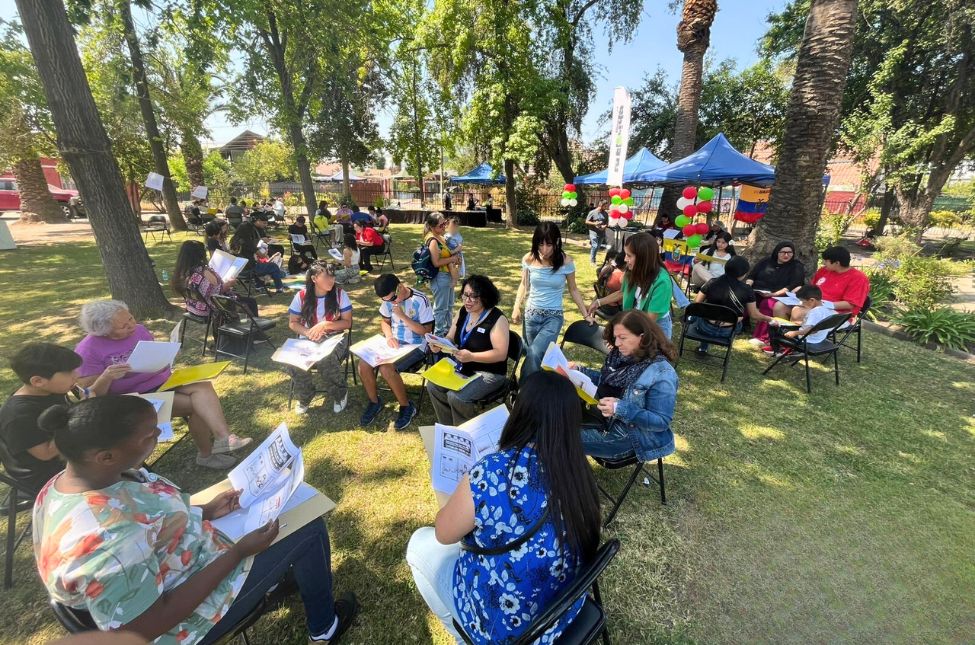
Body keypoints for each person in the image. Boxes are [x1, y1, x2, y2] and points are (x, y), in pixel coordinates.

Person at [32, 396, 359, 645]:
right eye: (149, 435)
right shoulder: (110, 536)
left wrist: (202, 510)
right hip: (182, 623)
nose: (159, 434)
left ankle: (279, 578)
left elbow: (152, 523)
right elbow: (144, 626)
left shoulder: (70, 482)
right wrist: (238, 552)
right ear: (105, 455)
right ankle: (324, 628)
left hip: (179, 562)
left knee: (287, 513)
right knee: (308, 528)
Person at [406, 371, 601, 644]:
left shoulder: (492, 471)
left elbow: (443, 533)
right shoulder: (577, 470)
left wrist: (457, 492)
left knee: (418, 543)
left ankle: (463, 634)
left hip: (511, 630)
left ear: (521, 411)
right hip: (564, 608)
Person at [73, 300, 251, 469]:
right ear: (103, 331)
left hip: (162, 381)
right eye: (123, 326)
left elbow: (151, 354)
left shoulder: (140, 330)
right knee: (199, 406)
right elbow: (89, 396)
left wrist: (165, 358)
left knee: (203, 387)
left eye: (130, 318)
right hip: (133, 399)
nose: (131, 325)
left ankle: (223, 438)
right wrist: (107, 377)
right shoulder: (88, 349)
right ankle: (206, 455)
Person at [0, 344, 126, 492]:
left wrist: (106, 377)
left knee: (124, 434)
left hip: (69, 450)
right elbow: (45, 454)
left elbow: (88, 395)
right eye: (69, 373)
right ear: (38, 381)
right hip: (48, 474)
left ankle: (131, 482)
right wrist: (80, 415)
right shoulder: (19, 415)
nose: (76, 375)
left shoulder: (53, 388)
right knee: (122, 449)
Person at [572, 311, 678, 462]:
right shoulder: (621, 355)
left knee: (555, 437)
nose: (616, 344)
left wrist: (620, 408)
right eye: (615, 337)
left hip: (629, 437)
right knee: (551, 420)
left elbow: (661, 422)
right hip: (602, 418)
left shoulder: (662, 373)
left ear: (643, 338)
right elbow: (606, 381)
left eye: (622, 338)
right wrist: (580, 370)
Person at [426, 275, 510, 426]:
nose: (467, 300)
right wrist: (441, 344)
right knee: (432, 386)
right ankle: (448, 428)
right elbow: (451, 337)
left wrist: (472, 356)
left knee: (456, 397)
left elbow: (500, 353)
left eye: (473, 296)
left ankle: (466, 433)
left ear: (485, 297)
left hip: (490, 373)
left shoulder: (497, 319)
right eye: (465, 295)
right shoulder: (463, 312)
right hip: (463, 367)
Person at [512, 222, 593, 378]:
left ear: (556, 242)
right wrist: (517, 307)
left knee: (535, 353)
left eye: (549, 244)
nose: (544, 249)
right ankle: (530, 389)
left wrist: (586, 314)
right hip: (531, 315)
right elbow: (524, 284)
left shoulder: (566, 262)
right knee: (532, 355)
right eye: (540, 244)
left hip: (553, 317)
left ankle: (525, 394)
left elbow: (573, 289)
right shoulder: (529, 258)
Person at [358, 274, 433, 431]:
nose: (390, 302)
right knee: (363, 363)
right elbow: (385, 322)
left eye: (392, 298)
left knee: (386, 367)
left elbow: (426, 331)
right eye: (386, 300)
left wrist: (402, 316)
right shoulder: (388, 300)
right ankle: (374, 402)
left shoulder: (420, 300)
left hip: (416, 345)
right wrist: (389, 336)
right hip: (394, 345)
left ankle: (406, 406)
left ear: (399, 287)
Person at [287, 263, 353, 415]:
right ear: (314, 278)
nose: (331, 280)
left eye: (333, 276)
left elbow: (347, 323)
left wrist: (325, 325)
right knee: (292, 361)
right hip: (307, 338)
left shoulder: (339, 294)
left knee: (325, 359)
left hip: (334, 337)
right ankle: (305, 395)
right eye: (327, 276)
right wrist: (308, 332)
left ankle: (340, 393)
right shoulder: (301, 296)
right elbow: (293, 323)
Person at [587, 232, 675, 339]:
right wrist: (598, 302)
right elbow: (623, 292)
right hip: (637, 322)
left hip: (655, 328)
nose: (625, 259)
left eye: (629, 255)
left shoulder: (662, 282)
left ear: (643, 257)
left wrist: (623, 335)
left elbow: (650, 319)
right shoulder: (632, 271)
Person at [689, 256, 774, 354]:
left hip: (705, 327)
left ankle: (703, 348)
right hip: (728, 331)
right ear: (744, 274)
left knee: (703, 313)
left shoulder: (712, 282)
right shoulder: (747, 290)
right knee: (739, 318)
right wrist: (770, 319)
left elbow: (695, 305)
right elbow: (754, 315)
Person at [171, 240, 259, 324]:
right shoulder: (203, 272)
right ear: (200, 254)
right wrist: (229, 284)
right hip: (208, 309)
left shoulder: (182, 272)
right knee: (251, 302)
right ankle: (254, 332)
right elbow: (215, 293)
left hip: (192, 307)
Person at [783, 245, 869, 323]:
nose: (824, 263)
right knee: (780, 306)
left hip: (838, 314)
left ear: (837, 263)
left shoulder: (858, 278)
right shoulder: (825, 270)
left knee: (798, 312)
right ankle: (782, 336)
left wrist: (821, 304)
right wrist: (801, 290)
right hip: (812, 304)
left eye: (826, 261)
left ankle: (797, 337)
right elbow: (812, 288)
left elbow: (850, 304)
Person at [744, 241, 806, 345]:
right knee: (743, 296)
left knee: (767, 303)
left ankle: (762, 337)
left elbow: (793, 286)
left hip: (781, 296)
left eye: (789, 252)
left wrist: (773, 294)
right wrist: (748, 286)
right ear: (777, 252)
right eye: (783, 252)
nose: (786, 255)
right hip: (758, 291)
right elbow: (751, 276)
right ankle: (740, 325)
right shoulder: (766, 261)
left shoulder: (796, 266)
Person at [766, 284, 835, 356]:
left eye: (803, 301)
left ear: (812, 300)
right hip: (819, 338)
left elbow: (812, 330)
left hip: (806, 339)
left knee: (773, 325)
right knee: (786, 324)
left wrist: (795, 333)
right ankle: (783, 349)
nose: (801, 304)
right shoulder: (826, 308)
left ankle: (778, 350)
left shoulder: (815, 312)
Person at [423, 213, 463, 337]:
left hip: (447, 276)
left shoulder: (439, 236)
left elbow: (447, 253)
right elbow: (436, 263)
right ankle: (438, 335)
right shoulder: (433, 240)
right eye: (441, 225)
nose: (444, 227)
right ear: (432, 226)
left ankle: (448, 332)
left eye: (445, 223)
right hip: (441, 277)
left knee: (449, 306)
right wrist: (452, 259)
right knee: (441, 308)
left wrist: (454, 257)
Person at [230, 214, 288, 293]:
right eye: (264, 223)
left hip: (239, 269)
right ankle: (279, 288)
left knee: (267, 263)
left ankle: (259, 286)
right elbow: (255, 252)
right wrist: (262, 253)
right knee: (273, 266)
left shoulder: (235, 242)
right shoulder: (246, 244)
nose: (266, 225)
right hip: (248, 269)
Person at [444, 217, 465, 287]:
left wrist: (453, 251)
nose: (453, 229)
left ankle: (454, 280)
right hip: (447, 252)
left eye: (455, 227)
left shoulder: (458, 237)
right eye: (451, 227)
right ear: (448, 226)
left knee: (451, 264)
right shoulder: (446, 235)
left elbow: (460, 247)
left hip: (456, 254)